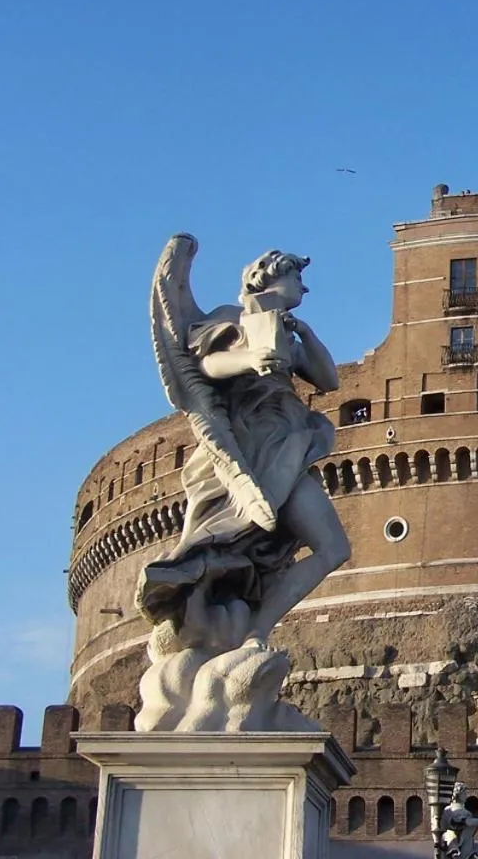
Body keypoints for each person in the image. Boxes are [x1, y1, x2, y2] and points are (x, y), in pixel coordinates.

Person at [138, 240, 351, 650]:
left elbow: (329, 381)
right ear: (269, 276)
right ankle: (204, 613)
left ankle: (257, 631)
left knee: (333, 548)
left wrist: (304, 333)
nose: (304, 289)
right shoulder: (232, 318)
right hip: (251, 445)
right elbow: (206, 365)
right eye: (298, 278)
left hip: (289, 444)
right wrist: (250, 360)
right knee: (223, 538)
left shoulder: (285, 331)